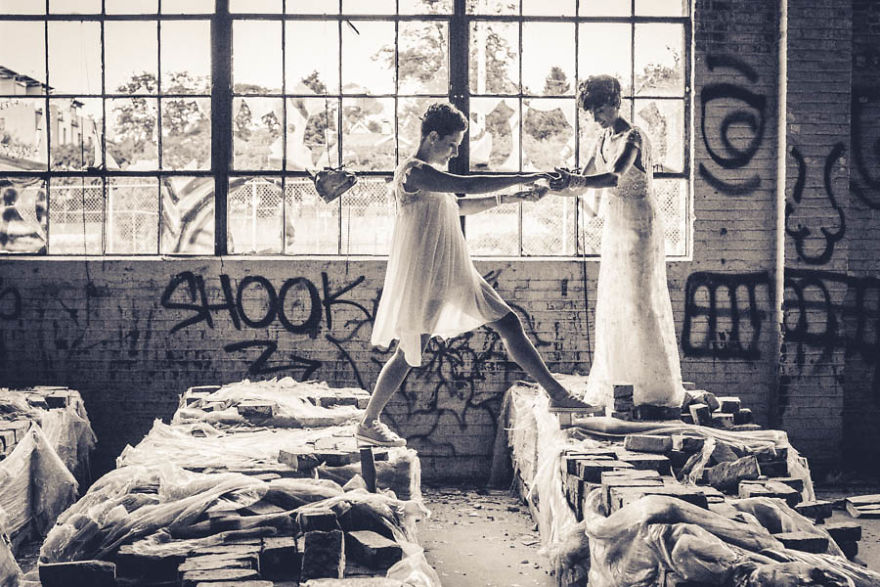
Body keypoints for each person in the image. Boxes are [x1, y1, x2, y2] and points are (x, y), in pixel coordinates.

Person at [358, 102, 601, 447]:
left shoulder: (432, 178)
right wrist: (526, 175)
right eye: (453, 143)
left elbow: (462, 205)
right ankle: (369, 421)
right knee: (409, 349)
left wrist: (513, 198)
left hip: (452, 270)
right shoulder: (413, 172)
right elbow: (469, 186)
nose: (456, 150)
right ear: (432, 136)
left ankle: (556, 393)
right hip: (430, 273)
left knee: (508, 323)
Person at [549, 75, 684, 412]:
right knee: (616, 301)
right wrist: (553, 185)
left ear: (616, 102)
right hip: (616, 227)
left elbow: (613, 176)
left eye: (600, 110)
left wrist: (577, 180)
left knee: (640, 303)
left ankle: (653, 388)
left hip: (639, 226)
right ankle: (620, 382)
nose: (595, 117)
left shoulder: (634, 136)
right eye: (590, 112)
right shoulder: (603, 138)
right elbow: (583, 181)